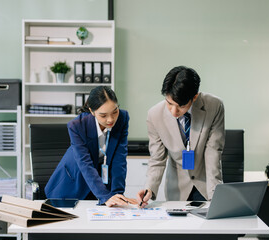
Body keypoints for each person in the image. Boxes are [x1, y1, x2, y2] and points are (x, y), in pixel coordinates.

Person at [137, 66, 225, 207]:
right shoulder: (154, 115)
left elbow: (213, 152)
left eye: (181, 106)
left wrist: (215, 194)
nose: (174, 111)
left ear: (194, 97)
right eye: (169, 103)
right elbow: (157, 158)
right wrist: (149, 188)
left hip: (206, 185)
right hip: (177, 188)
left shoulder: (214, 106)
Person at [45, 86, 137, 207]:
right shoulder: (77, 126)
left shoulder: (122, 118)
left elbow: (119, 160)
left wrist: (116, 194)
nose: (111, 119)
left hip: (101, 183)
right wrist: (105, 196)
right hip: (73, 182)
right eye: (103, 115)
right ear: (92, 111)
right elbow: (85, 164)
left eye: (115, 111)